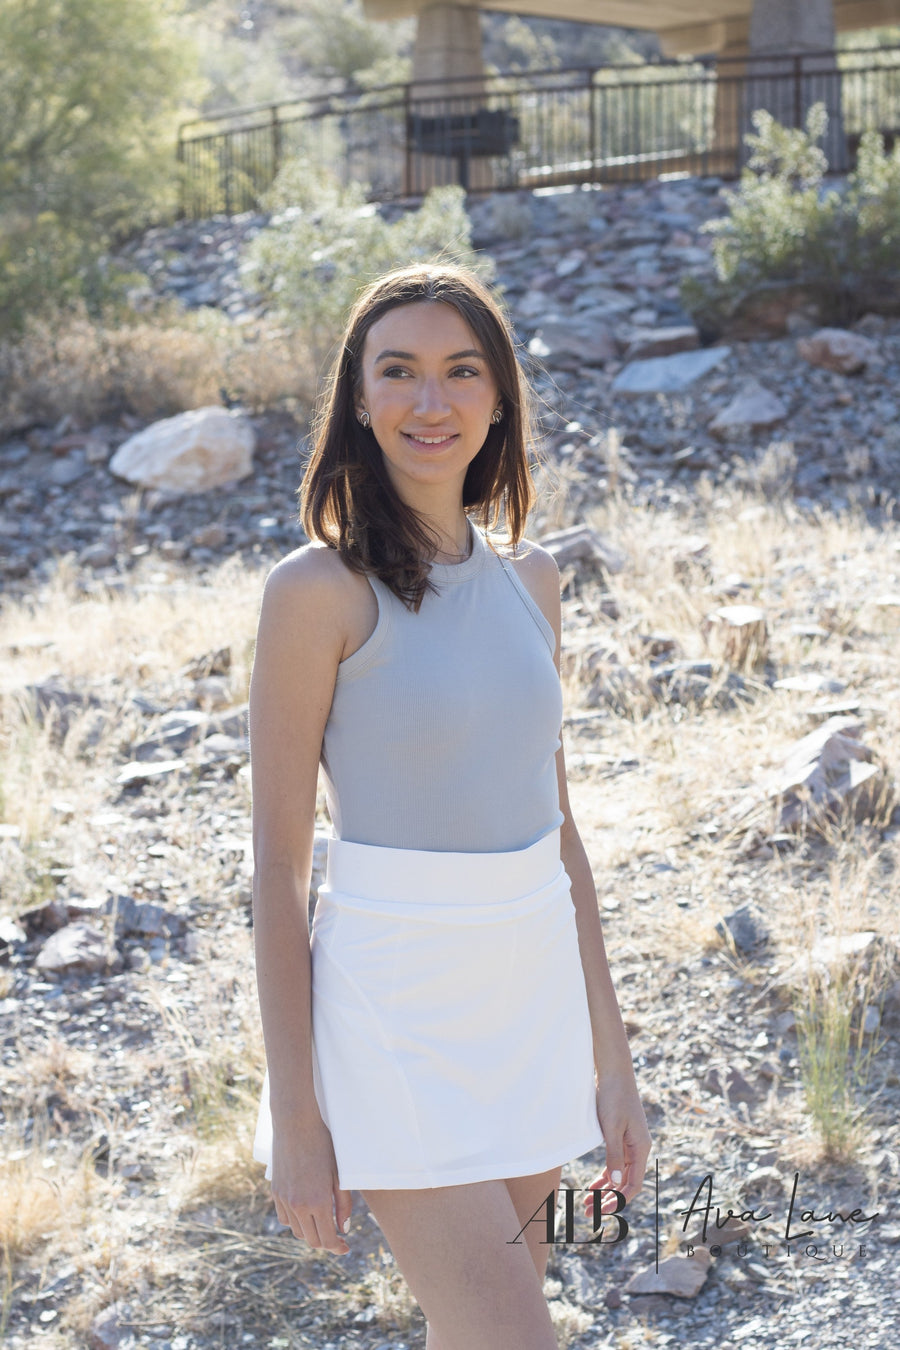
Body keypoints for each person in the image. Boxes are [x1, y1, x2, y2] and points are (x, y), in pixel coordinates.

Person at [249, 263, 651, 1349]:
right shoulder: (315, 592)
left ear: (500, 397)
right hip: (397, 1010)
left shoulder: (534, 581)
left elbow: (560, 836)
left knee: (480, 1330)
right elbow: (279, 871)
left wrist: (610, 1059)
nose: (431, 402)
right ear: (359, 397)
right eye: (399, 372)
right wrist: (297, 1114)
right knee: (514, 1335)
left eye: (461, 371)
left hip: (529, 999)